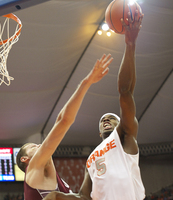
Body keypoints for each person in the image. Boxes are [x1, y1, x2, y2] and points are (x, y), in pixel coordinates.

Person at [43, 9, 145, 200]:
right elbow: (84, 196)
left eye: (112, 119)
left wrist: (130, 44)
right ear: (99, 132)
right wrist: (58, 197)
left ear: (121, 125)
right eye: (103, 120)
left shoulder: (125, 138)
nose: (106, 120)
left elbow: (125, 92)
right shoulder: (92, 159)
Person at [16, 50, 113, 199]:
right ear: (25, 159)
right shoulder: (34, 167)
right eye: (33, 147)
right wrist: (86, 83)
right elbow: (64, 122)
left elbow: (60, 119)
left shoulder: (51, 176)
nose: (39, 145)